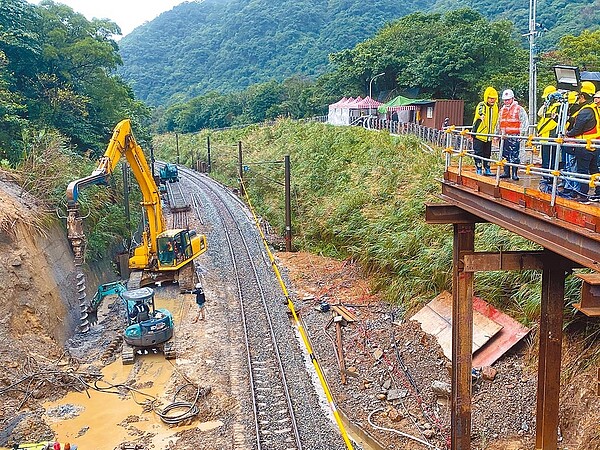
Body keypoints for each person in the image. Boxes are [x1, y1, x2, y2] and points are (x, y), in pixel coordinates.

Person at [563, 81, 600, 201]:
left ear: (583, 96)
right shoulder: (595, 109)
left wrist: (567, 134)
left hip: (585, 146)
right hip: (595, 145)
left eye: (578, 96)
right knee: (594, 170)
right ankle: (598, 193)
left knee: (583, 171)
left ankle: (583, 196)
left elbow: (577, 129)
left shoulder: (585, 111)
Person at [497, 89, 528, 180]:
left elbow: (524, 122)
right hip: (504, 136)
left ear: (512, 99)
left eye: (508, 99)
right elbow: (499, 123)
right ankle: (506, 172)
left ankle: (514, 173)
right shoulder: (502, 110)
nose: (506, 101)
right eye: (505, 100)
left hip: (515, 136)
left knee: (515, 155)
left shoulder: (519, 109)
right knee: (504, 155)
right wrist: (497, 134)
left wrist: (522, 134)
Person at [471, 87, 499, 175]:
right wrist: (482, 115)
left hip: (489, 136)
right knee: (478, 153)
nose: (492, 100)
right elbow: (480, 111)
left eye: (494, 98)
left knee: (487, 153)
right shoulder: (482, 105)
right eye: (490, 98)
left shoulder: (495, 107)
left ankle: (487, 168)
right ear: (486, 97)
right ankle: (479, 168)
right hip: (479, 134)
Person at [537, 85, 560, 184]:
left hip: (551, 136)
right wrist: (546, 104)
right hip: (545, 137)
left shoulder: (558, 106)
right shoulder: (548, 106)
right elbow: (540, 113)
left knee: (551, 159)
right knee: (545, 159)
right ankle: (545, 176)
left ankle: (549, 178)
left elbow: (553, 122)